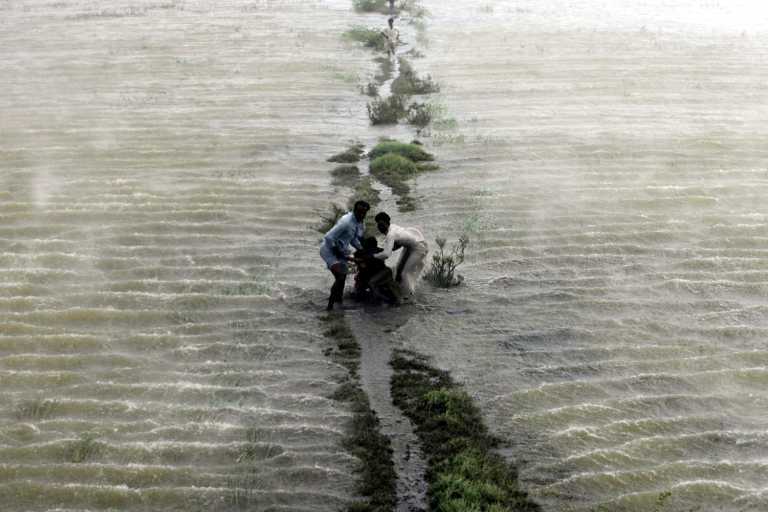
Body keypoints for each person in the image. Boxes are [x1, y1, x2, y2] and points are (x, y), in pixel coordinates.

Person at [320, 201, 370, 310]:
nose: (362, 215)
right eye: (359, 212)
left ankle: (338, 299)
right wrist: (335, 250)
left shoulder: (359, 222)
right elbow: (328, 237)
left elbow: (352, 238)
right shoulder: (346, 222)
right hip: (329, 250)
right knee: (340, 276)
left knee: (343, 275)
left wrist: (362, 249)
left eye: (364, 213)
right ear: (355, 211)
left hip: (341, 250)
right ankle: (329, 308)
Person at [373, 212, 428, 300]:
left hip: (419, 247)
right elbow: (397, 244)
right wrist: (382, 250)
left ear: (387, 222)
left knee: (405, 273)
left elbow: (386, 254)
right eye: (378, 224)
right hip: (413, 244)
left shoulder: (391, 234)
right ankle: (402, 290)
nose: (380, 227)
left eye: (381, 224)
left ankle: (409, 296)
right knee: (398, 268)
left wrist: (373, 256)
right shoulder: (393, 227)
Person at [354, 237, 402, 305]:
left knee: (368, 286)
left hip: (378, 274)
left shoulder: (363, 252)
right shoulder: (377, 251)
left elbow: (359, 264)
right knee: (362, 289)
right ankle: (387, 299)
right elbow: (392, 249)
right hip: (373, 274)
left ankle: (386, 299)